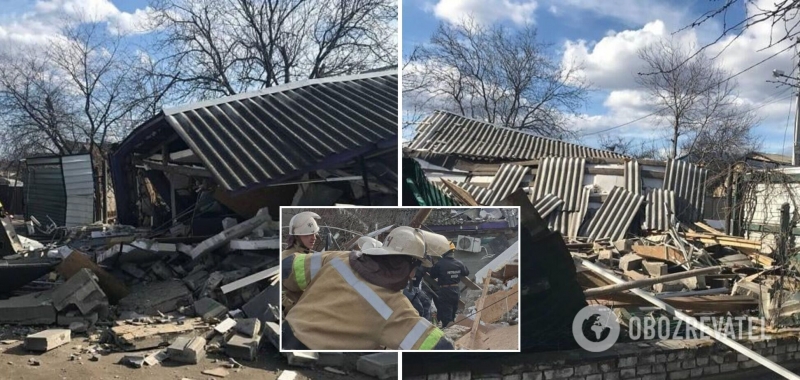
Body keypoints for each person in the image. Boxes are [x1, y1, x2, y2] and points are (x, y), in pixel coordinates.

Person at [281, 226, 454, 350]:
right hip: (318, 363)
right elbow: (438, 347)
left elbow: (287, 268)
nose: (412, 275)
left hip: (283, 336)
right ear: (404, 266)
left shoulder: (338, 258)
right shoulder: (396, 309)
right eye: (414, 269)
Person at [281, 211, 321, 314]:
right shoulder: (287, 257)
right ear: (297, 237)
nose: (314, 238)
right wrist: (295, 309)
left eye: (314, 233)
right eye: (308, 234)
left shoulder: (308, 255)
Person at [429, 241, 469, 328]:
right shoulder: (459, 263)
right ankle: (453, 329)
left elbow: (432, 275)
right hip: (456, 291)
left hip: (445, 291)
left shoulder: (440, 264)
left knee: (446, 316)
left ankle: (449, 333)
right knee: (453, 313)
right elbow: (466, 273)